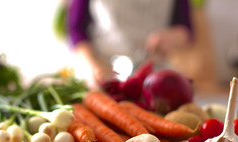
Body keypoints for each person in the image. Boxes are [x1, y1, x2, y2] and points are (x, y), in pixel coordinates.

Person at [66, 0, 194, 89]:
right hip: (103, 70)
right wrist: (92, 65)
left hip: (154, 74)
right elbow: (75, 29)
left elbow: (187, 29)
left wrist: (172, 37)